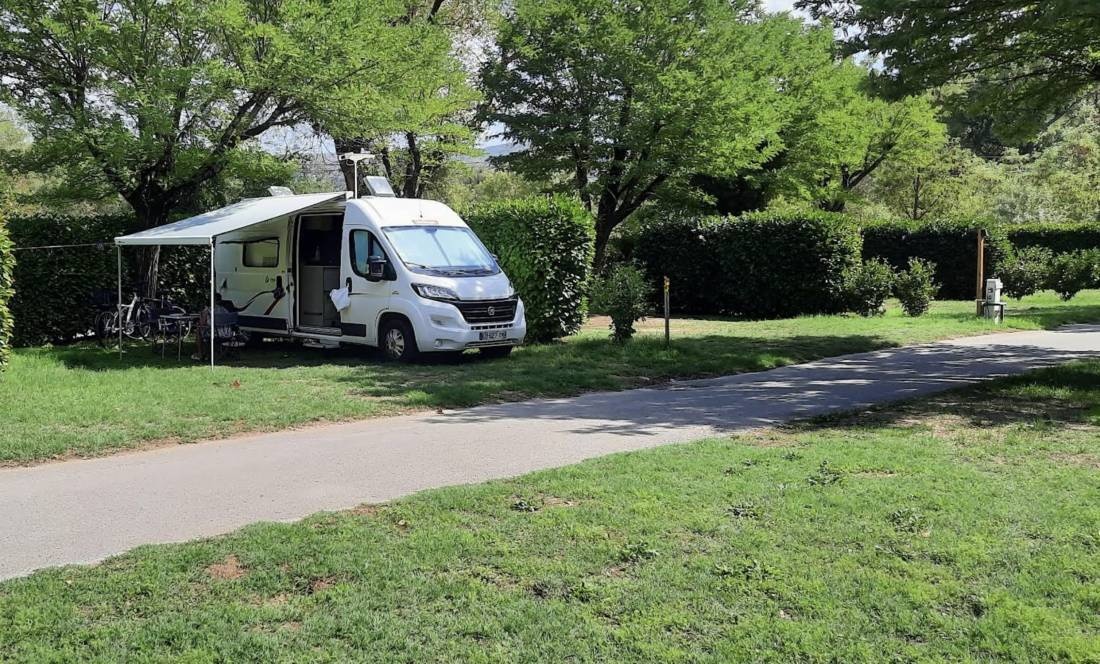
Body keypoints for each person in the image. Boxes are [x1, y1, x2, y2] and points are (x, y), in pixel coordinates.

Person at [192, 294, 233, 361]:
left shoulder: (208, 310)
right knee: (204, 330)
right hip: (227, 334)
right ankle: (208, 353)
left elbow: (202, 324)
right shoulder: (224, 310)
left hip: (215, 334)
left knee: (198, 330)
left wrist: (201, 317)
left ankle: (200, 353)